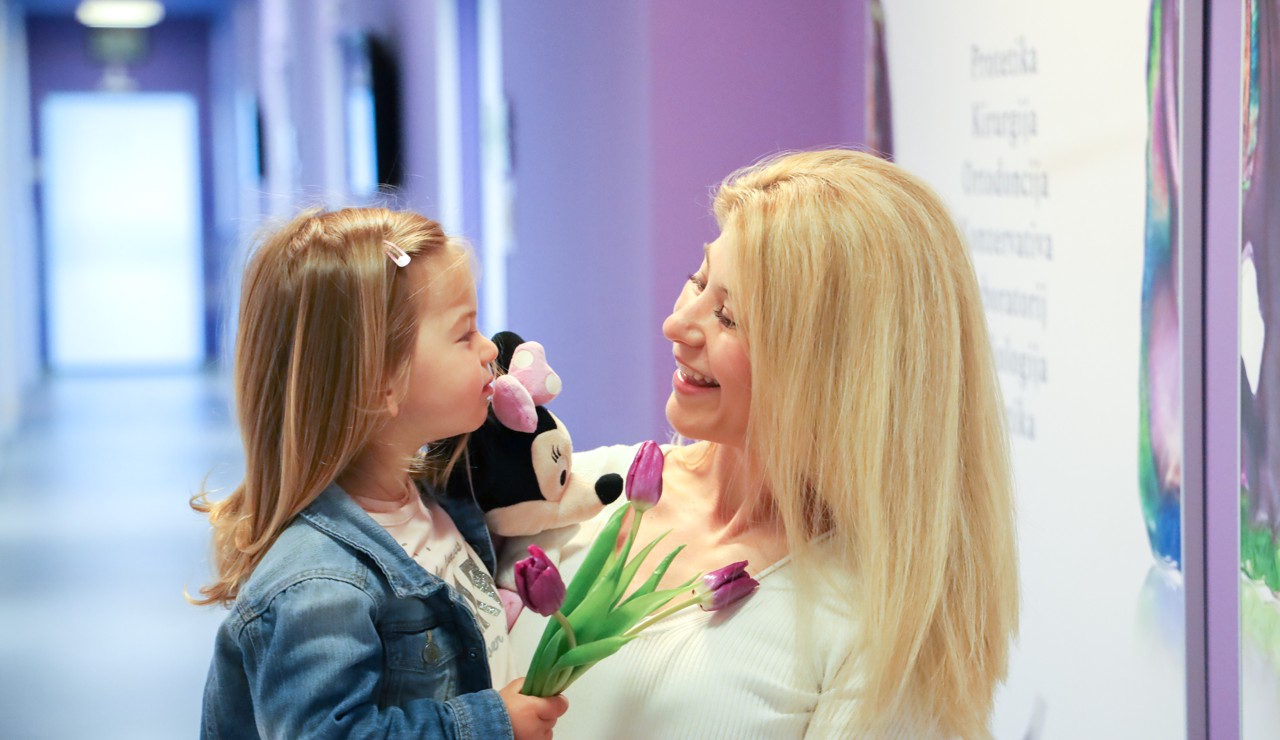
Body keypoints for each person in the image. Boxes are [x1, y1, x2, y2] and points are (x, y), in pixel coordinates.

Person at [508, 149, 1019, 738]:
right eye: (698, 280)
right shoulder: (589, 490)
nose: (677, 325)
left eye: (728, 316)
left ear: (835, 372)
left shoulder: (880, 631)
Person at [190, 207, 568, 739]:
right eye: (465, 334)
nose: (489, 349)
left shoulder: (435, 499)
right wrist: (491, 725)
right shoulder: (317, 587)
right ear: (379, 384)